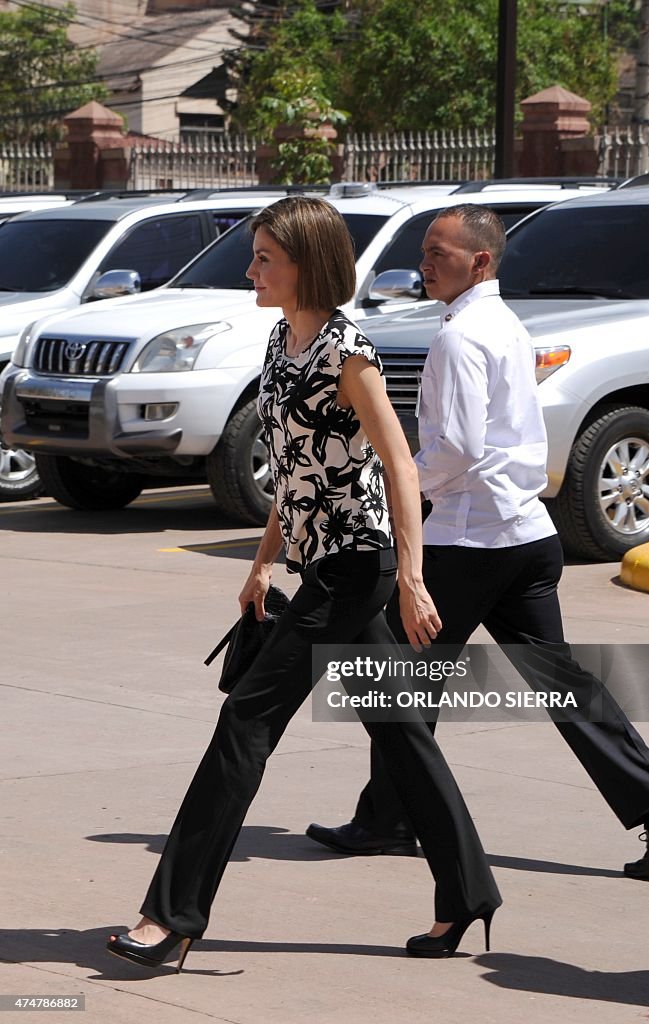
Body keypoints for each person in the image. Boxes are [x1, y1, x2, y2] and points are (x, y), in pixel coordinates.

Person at [106, 196, 501, 972]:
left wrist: (412, 580)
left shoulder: (347, 353)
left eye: (265, 259)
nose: (251, 270)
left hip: (357, 567)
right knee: (401, 735)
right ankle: (468, 895)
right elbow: (294, 475)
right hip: (319, 560)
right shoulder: (282, 342)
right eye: (253, 256)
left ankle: (173, 915)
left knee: (244, 726)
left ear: (306, 265)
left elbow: (400, 464)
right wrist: (261, 561)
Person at [306, 204, 649, 879]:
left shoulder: (461, 337)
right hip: (522, 534)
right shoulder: (505, 325)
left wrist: (402, 480)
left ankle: (387, 818)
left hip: (469, 541)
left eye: (440, 253)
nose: (426, 263)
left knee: (401, 681)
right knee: (552, 683)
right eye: (426, 252)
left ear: (480, 262)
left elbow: (458, 447)